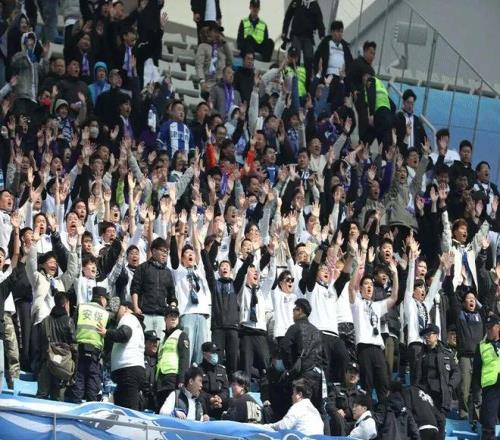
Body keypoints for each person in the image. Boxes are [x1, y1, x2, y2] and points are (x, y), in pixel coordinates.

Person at [349, 259, 399, 399]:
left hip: (378, 349)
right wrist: (357, 267)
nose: (369, 287)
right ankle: (369, 410)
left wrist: (395, 275)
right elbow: (351, 288)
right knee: (367, 385)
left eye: (371, 284)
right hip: (364, 348)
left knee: (384, 384)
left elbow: (394, 297)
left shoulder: (378, 306)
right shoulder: (357, 303)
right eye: (366, 284)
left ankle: (384, 410)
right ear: (361, 288)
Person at [97, 301, 145, 410]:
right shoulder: (135, 322)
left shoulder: (128, 317)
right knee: (121, 407)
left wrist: (106, 332)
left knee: (129, 411)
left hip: (128, 370)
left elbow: (124, 334)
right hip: (129, 371)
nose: (116, 312)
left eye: (119, 308)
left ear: (126, 308)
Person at [65, 286, 110, 403]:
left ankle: (76, 404)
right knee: (93, 382)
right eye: (106, 299)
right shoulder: (106, 313)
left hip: (79, 349)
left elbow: (71, 325)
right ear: (101, 298)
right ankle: (91, 408)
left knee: (78, 379)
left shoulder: (81, 307)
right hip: (95, 353)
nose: (107, 302)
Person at [279, 298, 324, 411]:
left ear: (300, 310)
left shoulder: (294, 328)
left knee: (299, 409)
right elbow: (324, 356)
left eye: (294, 310)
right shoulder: (317, 331)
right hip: (317, 377)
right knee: (315, 410)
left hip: (301, 376)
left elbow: (284, 348)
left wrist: (291, 367)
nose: (293, 313)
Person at [131, 237, 176, 335]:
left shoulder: (168, 272)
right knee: (145, 341)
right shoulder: (142, 268)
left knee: (159, 342)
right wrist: (136, 307)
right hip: (145, 313)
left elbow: (171, 295)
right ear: (154, 251)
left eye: (166, 252)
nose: (165, 254)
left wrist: (172, 306)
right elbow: (135, 289)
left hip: (161, 316)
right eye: (162, 251)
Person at [36, 292, 76, 401]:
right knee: (59, 400)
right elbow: (74, 346)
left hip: (47, 363)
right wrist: (74, 367)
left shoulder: (45, 321)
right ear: (65, 304)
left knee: (41, 397)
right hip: (63, 365)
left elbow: (39, 345)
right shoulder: (69, 321)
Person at [417, 324, 460, 421]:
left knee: (440, 422)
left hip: (441, 394)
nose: (427, 337)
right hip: (425, 395)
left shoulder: (446, 354)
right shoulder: (421, 355)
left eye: (429, 334)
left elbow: (457, 372)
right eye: (425, 335)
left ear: (436, 336)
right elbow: (417, 377)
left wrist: (450, 386)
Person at [155, 302, 190, 411]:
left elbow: (184, 358)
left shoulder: (181, 335)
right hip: (161, 380)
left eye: (176, 316)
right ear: (165, 319)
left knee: (170, 410)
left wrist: (182, 380)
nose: (174, 318)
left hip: (173, 379)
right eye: (171, 315)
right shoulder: (163, 339)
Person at [471, 314, 500, 440]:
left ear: (498, 327)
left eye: (491, 327)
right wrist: (476, 390)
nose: (488, 330)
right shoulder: (481, 346)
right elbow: (476, 371)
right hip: (490, 388)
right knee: (488, 422)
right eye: (486, 327)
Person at [282, 0, 325, 75]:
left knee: (309, 58)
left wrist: (322, 36)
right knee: (295, 56)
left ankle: (307, 80)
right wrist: (284, 31)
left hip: (308, 37)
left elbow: (320, 21)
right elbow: (288, 16)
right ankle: (293, 77)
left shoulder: (314, 4)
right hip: (296, 34)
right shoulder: (296, 1)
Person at [326, 362, 367, 436]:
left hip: (355, 424)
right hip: (339, 423)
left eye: (355, 373)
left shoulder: (361, 394)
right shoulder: (336, 389)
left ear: (358, 378)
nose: (352, 375)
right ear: (345, 374)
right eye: (350, 372)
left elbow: (367, 411)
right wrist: (336, 411)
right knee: (337, 417)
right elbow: (329, 405)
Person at [198, 341, 229, 419]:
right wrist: (210, 399)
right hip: (206, 404)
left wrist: (220, 398)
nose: (215, 355)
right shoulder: (198, 370)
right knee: (200, 398)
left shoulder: (221, 369)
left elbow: (225, 390)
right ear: (204, 354)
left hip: (219, 403)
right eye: (212, 352)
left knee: (232, 401)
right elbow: (197, 390)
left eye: (216, 352)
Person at [394, 89, 428, 155]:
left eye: (412, 103)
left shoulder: (417, 120)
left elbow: (425, 139)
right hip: (401, 154)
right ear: (403, 102)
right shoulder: (397, 118)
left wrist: (426, 150)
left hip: (415, 155)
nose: (410, 106)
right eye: (408, 102)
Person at [142, 329, 160, 412]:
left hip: (154, 399)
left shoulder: (159, 359)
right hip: (141, 397)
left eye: (156, 342)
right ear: (145, 343)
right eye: (152, 342)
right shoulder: (138, 357)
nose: (155, 344)